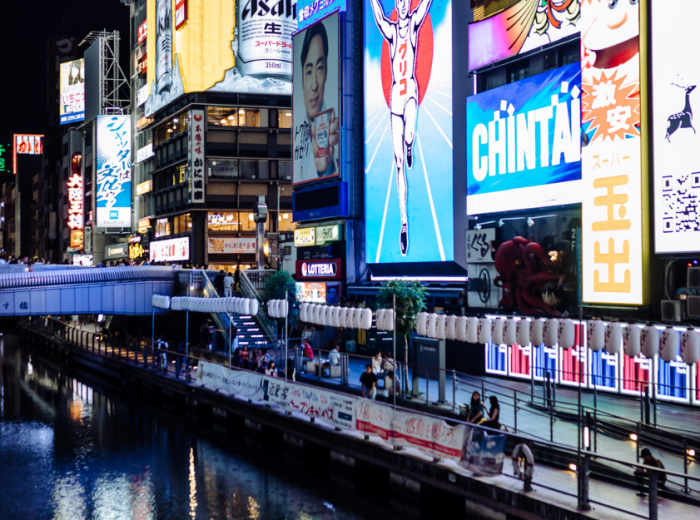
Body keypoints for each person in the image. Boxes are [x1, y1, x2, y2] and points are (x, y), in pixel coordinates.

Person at [368, 0, 432, 255]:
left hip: (411, 94)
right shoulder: (393, 31)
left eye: (406, 1)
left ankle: (409, 145)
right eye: (399, 1)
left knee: (409, 135)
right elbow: (378, 17)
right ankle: (404, 223)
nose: (403, 5)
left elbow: (425, 6)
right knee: (397, 163)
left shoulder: (414, 24)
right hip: (396, 98)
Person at [297, 20, 339, 183]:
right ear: (301, 79)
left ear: (327, 71)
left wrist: (326, 169)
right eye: (308, 71)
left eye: (319, 68)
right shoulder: (298, 130)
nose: (314, 85)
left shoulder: (333, 130)